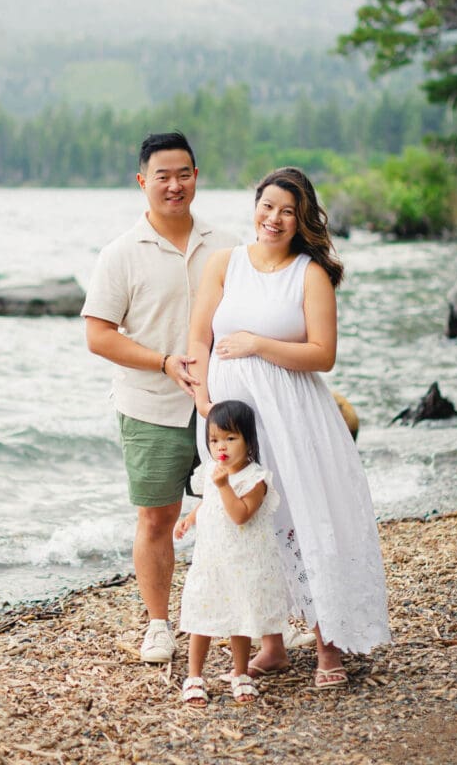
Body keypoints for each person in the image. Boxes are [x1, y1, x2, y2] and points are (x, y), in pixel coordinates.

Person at [188, 166, 391, 688]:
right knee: (249, 526)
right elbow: (198, 340)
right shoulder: (223, 263)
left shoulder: (310, 273)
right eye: (267, 206)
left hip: (294, 417)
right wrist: (206, 404)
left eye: (287, 211)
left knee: (306, 515)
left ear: (302, 221)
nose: (274, 218)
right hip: (231, 419)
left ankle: (328, 646)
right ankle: (271, 646)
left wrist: (258, 344)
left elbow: (323, 355)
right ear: (254, 206)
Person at [82, 131, 234, 664]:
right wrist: (165, 362)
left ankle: (268, 619)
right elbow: (98, 335)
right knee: (155, 519)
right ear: (142, 181)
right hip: (151, 404)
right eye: (163, 176)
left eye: (184, 174)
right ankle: (159, 624)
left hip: (225, 406)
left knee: (251, 508)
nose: (175, 185)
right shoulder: (121, 253)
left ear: (197, 176)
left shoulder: (227, 243)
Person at [174, 400, 289, 708]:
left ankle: (240, 673)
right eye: (214, 440)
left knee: (241, 617)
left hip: (244, 562)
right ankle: (194, 675)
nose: (220, 447)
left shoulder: (255, 479)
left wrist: (225, 485)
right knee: (202, 615)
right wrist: (189, 518)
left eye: (230, 438)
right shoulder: (213, 471)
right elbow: (208, 502)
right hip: (211, 560)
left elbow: (240, 515)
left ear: (248, 441)